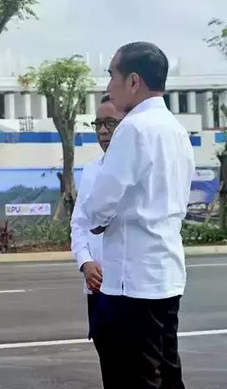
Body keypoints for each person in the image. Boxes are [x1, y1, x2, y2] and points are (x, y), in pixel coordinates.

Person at [81, 42, 194, 389]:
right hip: (166, 275)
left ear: (133, 81)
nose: (109, 84)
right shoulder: (176, 130)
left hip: (133, 284)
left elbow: (100, 203)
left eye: (111, 75)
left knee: (135, 378)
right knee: (167, 372)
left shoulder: (133, 128)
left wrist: (97, 221)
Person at [70, 95, 124, 334]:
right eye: (98, 124)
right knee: (109, 362)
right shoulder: (91, 171)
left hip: (130, 290)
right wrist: (85, 262)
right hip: (98, 287)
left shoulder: (137, 169)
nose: (103, 131)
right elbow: (79, 223)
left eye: (110, 123)